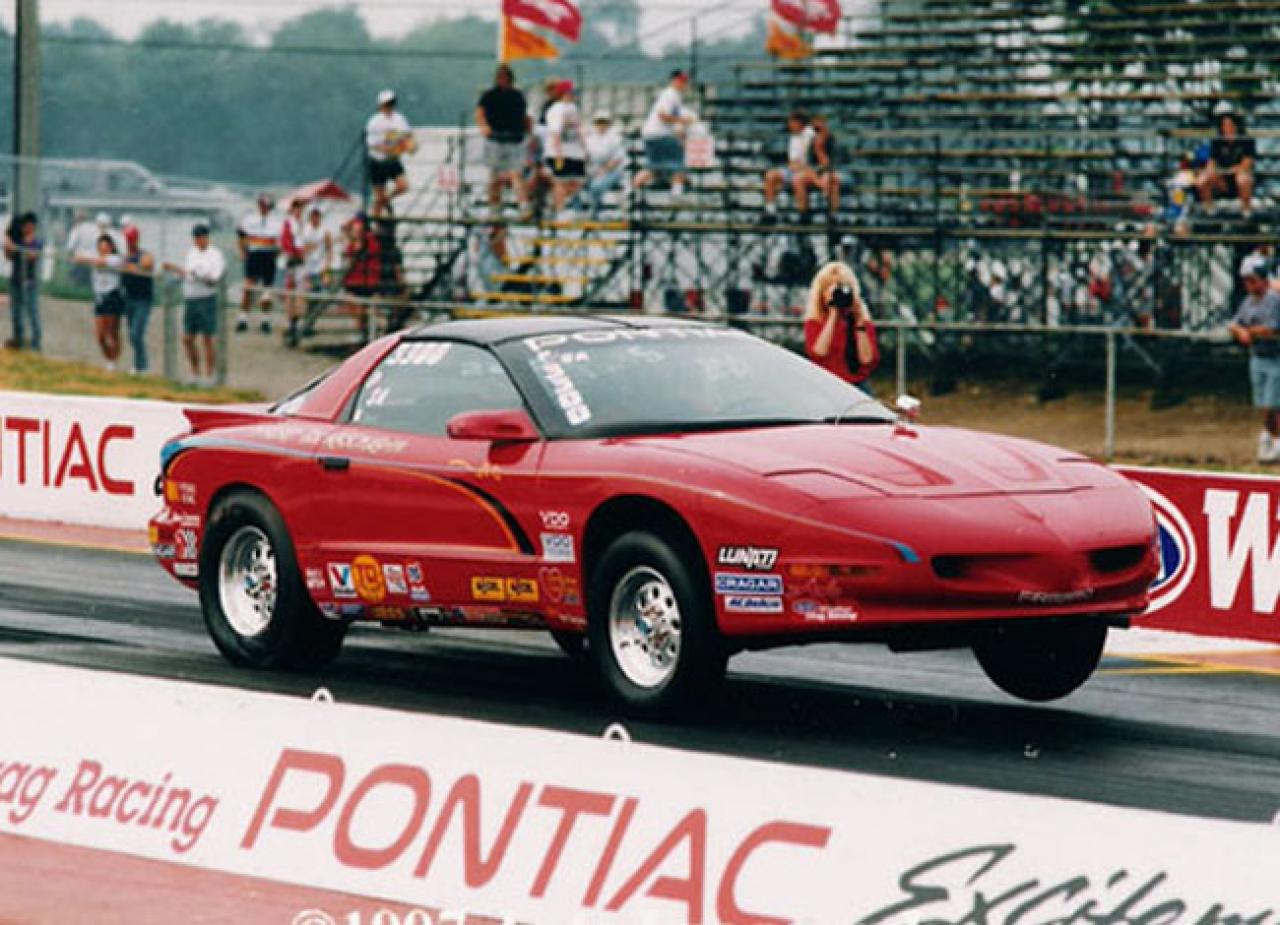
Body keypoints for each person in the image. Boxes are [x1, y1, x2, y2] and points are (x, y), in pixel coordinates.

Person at [1229, 255, 1280, 463]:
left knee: (1272, 403)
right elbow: (1234, 323)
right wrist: (1240, 331)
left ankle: (1276, 441)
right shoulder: (1248, 302)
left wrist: (1249, 331)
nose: (1248, 285)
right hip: (1258, 357)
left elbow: (1271, 328)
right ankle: (1269, 436)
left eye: (1252, 280)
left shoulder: (1274, 300)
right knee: (1262, 404)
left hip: (1275, 358)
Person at [163, 224, 226, 385]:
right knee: (187, 338)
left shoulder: (215, 255)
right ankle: (195, 372)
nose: (199, 240)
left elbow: (214, 278)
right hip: (191, 298)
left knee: (207, 338)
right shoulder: (192, 253)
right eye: (196, 237)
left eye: (201, 237)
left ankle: (210, 374)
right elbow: (187, 274)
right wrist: (176, 270)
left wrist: (199, 275)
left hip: (206, 298)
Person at [803, 261, 879, 385]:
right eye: (829, 289)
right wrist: (833, 315)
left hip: (856, 382)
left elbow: (866, 360)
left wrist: (859, 320)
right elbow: (818, 353)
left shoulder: (862, 322)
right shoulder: (815, 321)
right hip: (825, 380)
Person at [476, 65, 532, 214]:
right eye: (501, 77)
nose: (503, 80)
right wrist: (484, 126)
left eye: (506, 78)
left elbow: (525, 116)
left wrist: (530, 134)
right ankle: (494, 208)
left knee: (516, 173)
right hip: (496, 139)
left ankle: (523, 205)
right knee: (495, 176)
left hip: (515, 139)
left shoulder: (517, 96)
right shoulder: (490, 95)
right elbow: (480, 112)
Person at [636, 69, 693, 196]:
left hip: (651, 135)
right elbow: (663, 116)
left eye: (685, 81)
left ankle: (630, 191)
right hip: (660, 135)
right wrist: (684, 120)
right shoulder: (671, 95)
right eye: (681, 81)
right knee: (678, 163)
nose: (683, 84)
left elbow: (671, 122)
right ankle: (677, 194)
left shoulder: (672, 95)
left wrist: (680, 130)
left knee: (652, 167)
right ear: (674, 81)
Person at [75, 234, 127, 371]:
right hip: (99, 297)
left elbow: (102, 262)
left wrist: (91, 259)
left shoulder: (115, 259)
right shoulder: (95, 257)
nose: (103, 250)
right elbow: (78, 257)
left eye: (105, 247)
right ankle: (108, 357)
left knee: (112, 331)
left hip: (112, 295)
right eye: (100, 247)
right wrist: (89, 257)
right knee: (100, 335)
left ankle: (114, 361)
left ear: (111, 247)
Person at [1197, 103, 1255, 216]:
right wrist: (1211, 171)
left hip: (1239, 176)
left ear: (1236, 125)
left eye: (1230, 125)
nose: (1228, 128)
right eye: (1224, 126)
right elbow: (1211, 162)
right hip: (1222, 178)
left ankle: (1246, 211)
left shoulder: (1246, 140)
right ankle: (1210, 210)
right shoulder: (1217, 141)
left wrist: (1228, 171)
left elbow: (1246, 164)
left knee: (1243, 178)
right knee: (1202, 179)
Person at [286, 204, 332, 347]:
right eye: (313, 215)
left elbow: (329, 249)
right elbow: (300, 248)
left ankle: (309, 322)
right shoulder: (304, 230)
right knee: (303, 297)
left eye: (317, 215)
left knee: (316, 298)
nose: (315, 218)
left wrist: (327, 267)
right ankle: (297, 324)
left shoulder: (324, 232)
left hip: (319, 268)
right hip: (305, 268)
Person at [366, 89, 415, 217]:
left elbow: (407, 136)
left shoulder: (399, 119)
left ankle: (383, 202)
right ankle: (376, 219)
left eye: (391, 103)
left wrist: (409, 145)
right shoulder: (374, 122)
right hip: (377, 161)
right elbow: (371, 144)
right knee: (379, 195)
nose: (389, 107)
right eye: (387, 104)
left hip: (392, 160)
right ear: (381, 105)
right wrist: (385, 148)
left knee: (403, 186)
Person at [764, 110, 821, 222]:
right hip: (790, 168)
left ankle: (804, 213)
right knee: (770, 176)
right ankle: (770, 211)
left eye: (793, 122)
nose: (790, 125)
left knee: (798, 180)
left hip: (807, 170)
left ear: (800, 123)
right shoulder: (790, 136)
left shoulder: (810, 134)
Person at [237, 193, 282, 333]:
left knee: (266, 291)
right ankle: (243, 319)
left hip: (269, 256)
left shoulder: (277, 221)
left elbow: (280, 241)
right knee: (248, 288)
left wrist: (277, 254)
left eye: (266, 205)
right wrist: (243, 251)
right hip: (253, 255)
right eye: (261, 204)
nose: (263, 207)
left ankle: (265, 320)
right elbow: (241, 234)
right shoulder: (249, 218)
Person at [544, 80, 586, 214]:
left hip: (575, 152)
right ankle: (559, 211)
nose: (572, 94)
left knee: (577, 182)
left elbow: (578, 129)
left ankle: (553, 203)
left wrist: (584, 148)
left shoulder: (573, 108)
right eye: (570, 92)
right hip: (559, 152)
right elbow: (555, 132)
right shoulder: (556, 109)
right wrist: (559, 154)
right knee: (560, 182)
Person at [120, 222, 156, 374]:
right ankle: (138, 363)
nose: (129, 243)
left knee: (137, 332)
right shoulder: (124, 257)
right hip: (129, 297)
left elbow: (147, 263)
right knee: (132, 334)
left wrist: (130, 266)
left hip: (143, 299)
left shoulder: (143, 255)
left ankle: (143, 366)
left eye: (131, 239)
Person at [4, 212, 43, 351]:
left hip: (30, 283)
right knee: (16, 313)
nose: (27, 228)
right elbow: (8, 255)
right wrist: (9, 239)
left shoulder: (37, 241)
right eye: (25, 226)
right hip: (16, 280)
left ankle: (35, 343)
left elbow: (32, 256)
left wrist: (18, 248)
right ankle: (18, 340)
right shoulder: (17, 239)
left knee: (32, 313)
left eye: (30, 226)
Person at [342, 212, 382, 340]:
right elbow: (349, 252)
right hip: (357, 280)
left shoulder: (369, 239)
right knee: (355, 305)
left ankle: (365, 331)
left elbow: (361, 250)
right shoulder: (356, 240)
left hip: (366, 280)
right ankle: (362, 330)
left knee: (363, 307)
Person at [583, 110, 628, 218]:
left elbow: (617, 160)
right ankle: (578, 212)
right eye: (598, 122)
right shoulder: (590, 138)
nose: (601, 125)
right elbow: (586, 156)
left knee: (596, 185)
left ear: (608, 123)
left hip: (613, 171)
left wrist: (603, 171)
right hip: (593, 169)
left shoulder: (615, 138)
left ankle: (594, 211)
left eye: (604, 122)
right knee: (575, 181)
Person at [811, 114, 841, 216]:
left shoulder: (835, 143)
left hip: (838, 172)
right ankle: (804, 216)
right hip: (816, 173)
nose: (818, 134)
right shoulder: (811, 144)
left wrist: (820, 151)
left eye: (820, 129)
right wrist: (817, 149)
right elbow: (809, 165)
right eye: (816, 130)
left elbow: (835, 164)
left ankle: (832, 214)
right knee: (799, 179)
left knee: (831, 179)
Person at [64, 209, 97, 290]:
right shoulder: (94, 227)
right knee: (89, 279)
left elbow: (71, 245)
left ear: (79, 219)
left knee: (78, 280)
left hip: (80, 257)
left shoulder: (77, 228)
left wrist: (68, 256)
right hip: (94, 257)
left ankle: (77, 292)